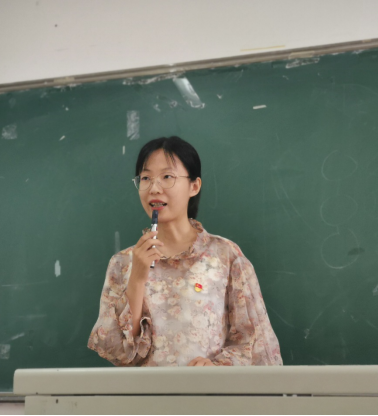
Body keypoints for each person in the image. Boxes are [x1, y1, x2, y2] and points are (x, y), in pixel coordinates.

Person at [88, 136, 282, 367]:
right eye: (146, 178)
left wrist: (218, 367)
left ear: (194, 186)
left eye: (167, 177)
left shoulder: (225, 256)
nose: (154, 188)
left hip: (209, 390)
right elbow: (117, 353)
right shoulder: (123, 263)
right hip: (146, 391)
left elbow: (257, 345)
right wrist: (137, 279)